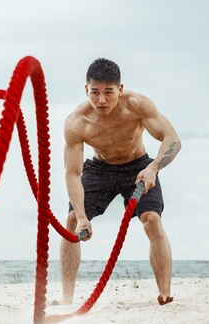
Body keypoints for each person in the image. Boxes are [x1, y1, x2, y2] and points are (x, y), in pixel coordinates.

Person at [60, 58, 181, 306]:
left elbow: (172, 139)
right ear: (86, 90)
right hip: (99, 168)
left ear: (120, 89)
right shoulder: (77, 122)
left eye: (108, 92)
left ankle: (165, 294)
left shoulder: (137, 105)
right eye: (95, 92)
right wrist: (82, 216)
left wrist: (153, 168)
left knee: (153, 221)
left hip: (138, 166)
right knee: (72, 221)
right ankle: (66, 298)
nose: (101, 100)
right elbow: (72, 173)